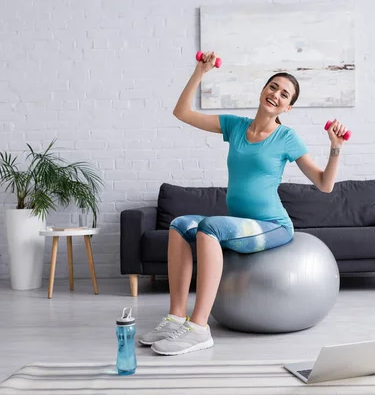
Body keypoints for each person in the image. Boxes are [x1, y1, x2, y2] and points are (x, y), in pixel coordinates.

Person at [139, 52, 348, 356]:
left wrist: (335, 148)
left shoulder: (287, 137)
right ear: (263, 90)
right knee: (180, 224)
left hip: (273, 226)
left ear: (288, 107)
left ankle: (198, 329)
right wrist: (200, 72)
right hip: (243, 223)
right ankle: (175, 318)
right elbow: (182, 112)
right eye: (272, 86)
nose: (276, 94)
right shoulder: (236, 127)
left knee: (210, 226)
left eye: (284, 94)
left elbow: (324, 184)